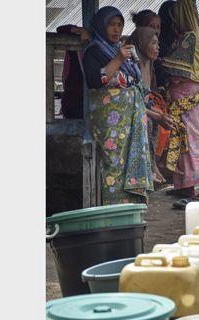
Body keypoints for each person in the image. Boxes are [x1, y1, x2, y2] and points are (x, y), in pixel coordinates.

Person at [82, 6, 154, 205]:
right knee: (115, 164)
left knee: (131, 161)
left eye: (120, 25)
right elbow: (96, 80)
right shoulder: (94, 51)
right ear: (101, 26)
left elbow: (134, 81)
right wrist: (119, 58)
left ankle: (131, 208)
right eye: (111, 25)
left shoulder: (119, 49)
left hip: (130, 119)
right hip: (111, 120)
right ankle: (114, 212)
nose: (116, 29)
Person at [161, 0, 199, 201]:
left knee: (193, 143)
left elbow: (173, 68)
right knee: (188, 142)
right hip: (196, 98)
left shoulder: (190, 38)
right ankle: (186, 187)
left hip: (188, 98)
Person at [129, 26, 174, 187]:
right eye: (153, 43)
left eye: (158, 43)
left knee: (166, 118)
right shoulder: (132, 66)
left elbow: (147, 98)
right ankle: (149, 169)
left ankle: (154, 164)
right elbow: (134, 101)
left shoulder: (148, 64)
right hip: (130, 110)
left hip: (142, 107)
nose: (158, 47)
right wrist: (155, 115)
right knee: (148, 122)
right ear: (141, 44)